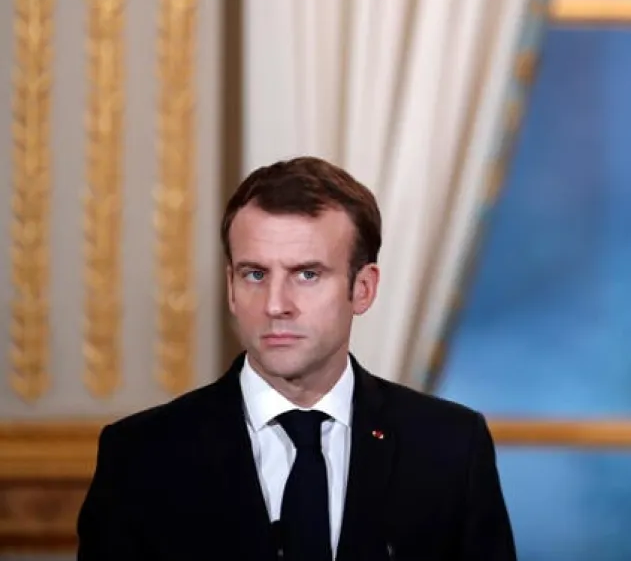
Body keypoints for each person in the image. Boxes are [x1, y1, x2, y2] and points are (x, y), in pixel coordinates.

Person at [76, 156, 517, 560]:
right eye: (255, 274)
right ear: (231, 287)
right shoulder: (141, 457)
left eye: (307, 274)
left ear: (362, 288)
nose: (275, 304)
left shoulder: (451, 447)